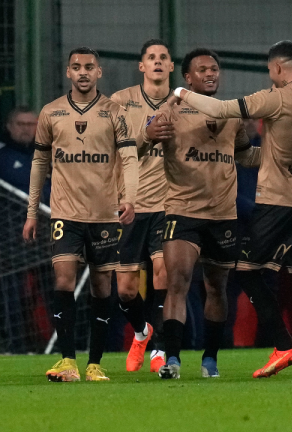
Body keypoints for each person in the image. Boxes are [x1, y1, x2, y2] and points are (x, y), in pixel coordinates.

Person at [168, 41, 292, 378]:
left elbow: (220, 110)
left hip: (280, 200)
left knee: (246, 270)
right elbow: (254, 154)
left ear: (276, 68)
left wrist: (181, 93)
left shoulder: (274, 97)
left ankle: (285, 345)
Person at [22, 47, 139, 382]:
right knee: (63, 279)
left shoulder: (115, 113)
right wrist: (32, 212)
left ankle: (95, 364)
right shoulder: (51, 113)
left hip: (104, 215)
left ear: (98, 72)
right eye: (77, 67)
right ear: (68, 73)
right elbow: (39, 164)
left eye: (89, 67)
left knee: (102, 288)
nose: (83, 72)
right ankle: (68, 361)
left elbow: (129, 159)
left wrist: (129, 197)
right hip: (64, 214)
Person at [154, 48, 261, 379]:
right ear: (188, 78)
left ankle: (210, 359)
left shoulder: (231, 115)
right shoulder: (171, 112)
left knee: (217, 288)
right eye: (202, 70)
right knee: (178, 281)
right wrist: (150, 130)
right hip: (183, 211)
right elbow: (145, 140)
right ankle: (172, 359)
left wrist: (286, 155)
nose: (211, 74)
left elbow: (245, 156)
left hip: (223, 215)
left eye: (214, 68)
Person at [110, 39, 175, 373]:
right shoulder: (121, 101)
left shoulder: (182, 103)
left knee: (163, 274)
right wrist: (147, 135)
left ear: (172, 66)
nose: (158, 62)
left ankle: (159, 350)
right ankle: (141, 331)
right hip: (131, 204)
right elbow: (115, 150)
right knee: (125, 290)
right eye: (151, 57)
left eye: (164, 57)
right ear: (142, 66)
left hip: (169, 203)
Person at [0, 106, 40, 194]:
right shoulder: (2, 158)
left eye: (30, 124)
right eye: (20, 124)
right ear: (9, 126)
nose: (26, 129)